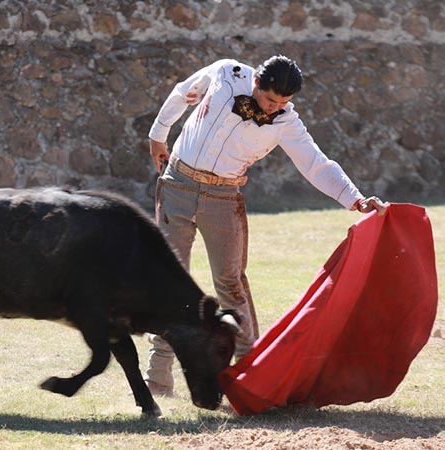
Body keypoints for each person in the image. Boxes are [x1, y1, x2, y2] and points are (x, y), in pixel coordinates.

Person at [144, 55, 387, 397]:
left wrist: (356, 199)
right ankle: (156, 381)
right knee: (170, 281)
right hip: (176, 188)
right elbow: (185, 92)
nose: (275, 109)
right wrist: (158, 134)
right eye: (271, 100)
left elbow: (316, 164)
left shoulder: (286, 121)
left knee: (230, 284)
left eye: (284, 103)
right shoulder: (227, 73)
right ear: (256, 83)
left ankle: (251, 379)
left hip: (224, 198)